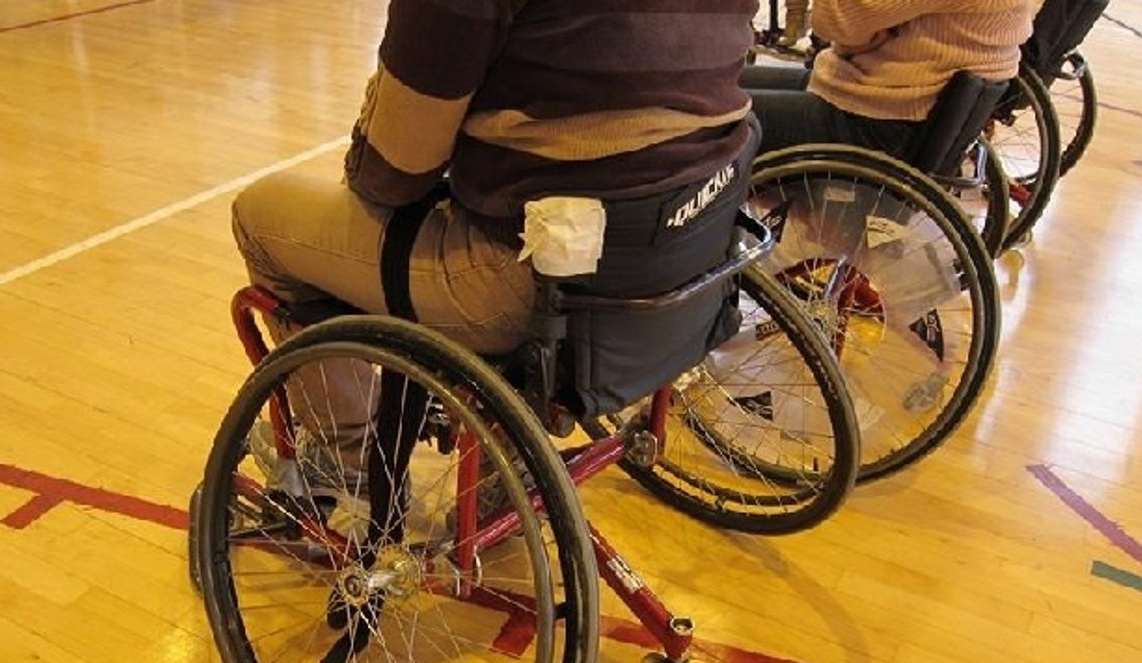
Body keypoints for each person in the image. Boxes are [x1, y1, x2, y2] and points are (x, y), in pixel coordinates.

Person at [231, 0, 760, 494]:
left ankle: (349, 458)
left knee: (261, 216)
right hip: (691, 254)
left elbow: (394, 171)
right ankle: (495, 468)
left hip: (543, 282)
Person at [740, 0, 1034, 158]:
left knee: (716, 112)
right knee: (731, 80)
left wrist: (860, 37)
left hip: (878, 120)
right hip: (892, 98)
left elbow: (834, 21)